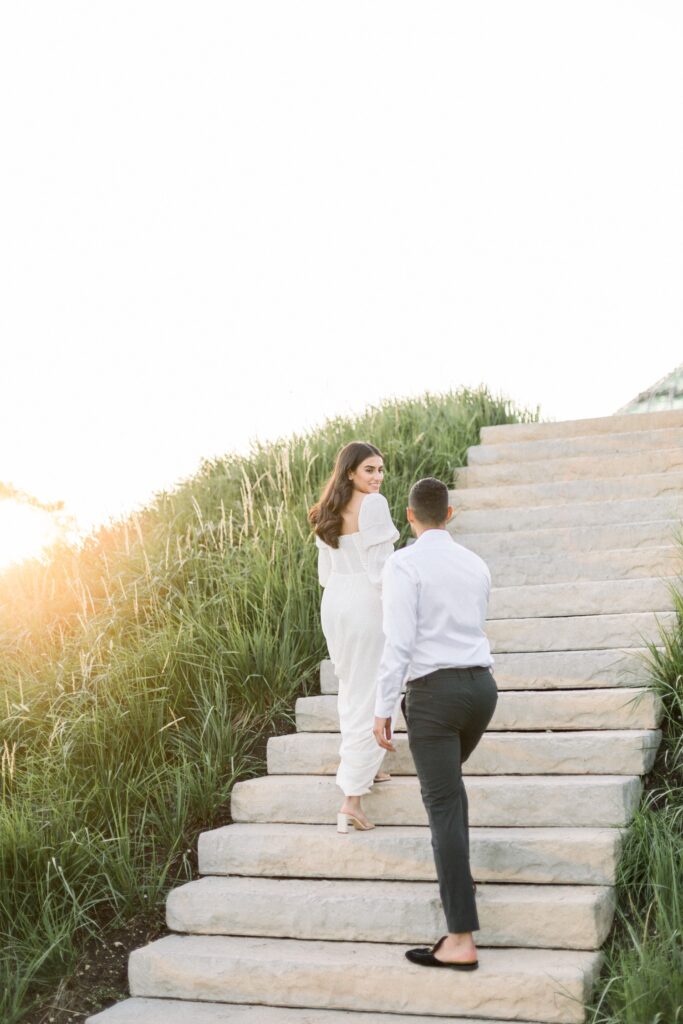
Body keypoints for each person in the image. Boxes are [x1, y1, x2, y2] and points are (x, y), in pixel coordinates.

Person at [373, 476, 498, 970]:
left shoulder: (403, 563)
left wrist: (382, 706)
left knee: (443, 804)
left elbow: (399, 642)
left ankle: (461, 937)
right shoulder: (476, 563)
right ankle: (460, 878)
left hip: (434, 697)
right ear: (450, 515)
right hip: (481, 691)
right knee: (451, 794)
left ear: (410, 516)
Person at [308, 441, 401, 833]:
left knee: (353, 687)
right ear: (350, 472)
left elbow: (325, 574)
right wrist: (397, 607)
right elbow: (379, 569)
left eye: (381, 470)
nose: (377, 477)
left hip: (336, 602)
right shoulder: (374, 506)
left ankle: (369, 767)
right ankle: (352, 799)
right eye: (369, 470)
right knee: (372, 691)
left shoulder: (326, 510)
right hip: (365, 599)